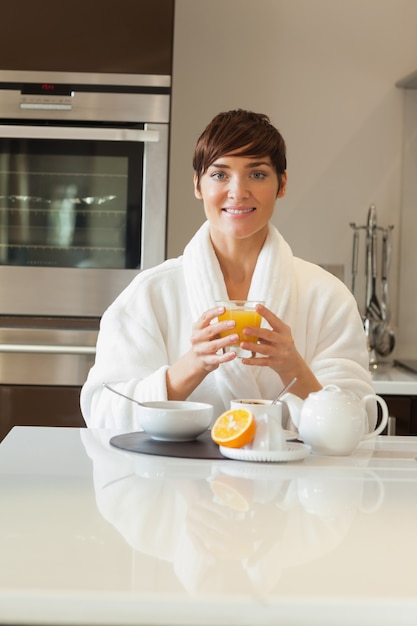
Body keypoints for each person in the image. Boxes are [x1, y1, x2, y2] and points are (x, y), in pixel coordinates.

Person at [81, 109, 374, 430]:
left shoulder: (327, 295)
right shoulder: (151, 293)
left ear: (282, 184)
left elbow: (359, 421)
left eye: (257, 174)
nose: (238, 191)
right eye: (220, 175)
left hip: (291, 481)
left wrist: (294, 369)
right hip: (173, 480)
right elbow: (103, 412)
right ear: (197, 184)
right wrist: (193, 365)